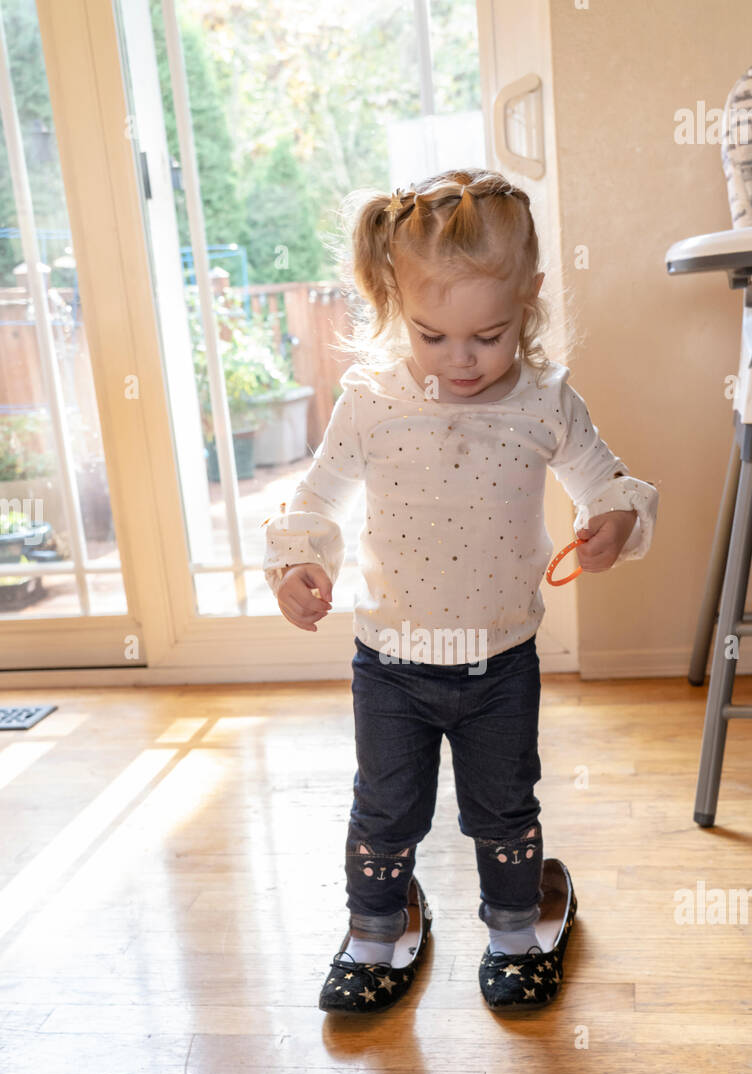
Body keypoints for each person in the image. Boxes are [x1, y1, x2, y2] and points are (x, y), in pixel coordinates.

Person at [262, 167, 658, 1013]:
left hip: (499, 666)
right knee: (384, 811)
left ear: (531, 299)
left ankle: (519, 928)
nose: (461, 360)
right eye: (432, 335)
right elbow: (317, 499)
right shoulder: (372, 400)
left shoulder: (547, 400)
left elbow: (609, 483)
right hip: (392, 664)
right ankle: (375, 930)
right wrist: (301, 564)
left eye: (490, 333)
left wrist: (615, 524)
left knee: (503, 808)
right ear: (396, 302)